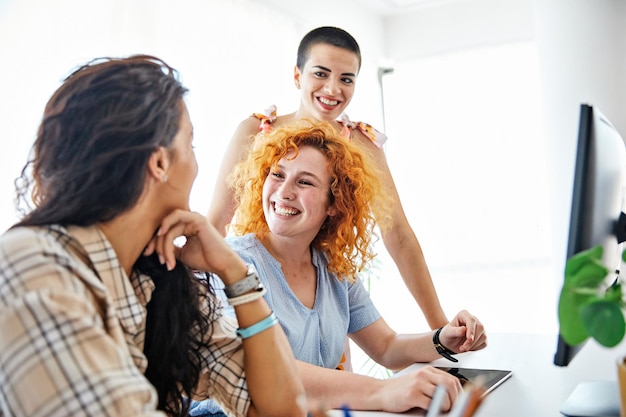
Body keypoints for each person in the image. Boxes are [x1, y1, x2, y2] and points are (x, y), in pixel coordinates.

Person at [0, 55, 306, 417]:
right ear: (159, 163)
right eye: (190, 145)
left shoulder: (160, 279)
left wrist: (235, 273)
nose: (196, 164)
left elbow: (284, 410)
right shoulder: (33, 266)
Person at [207, 25, 462, 338]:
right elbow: (218, 221)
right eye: (320, 73)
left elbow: (397, 234)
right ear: (298, 76)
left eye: (346, 79)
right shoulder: (256, 131)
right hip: (259, 292)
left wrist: (440, 328)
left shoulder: (362, 144)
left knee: (334, 379)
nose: (332, 89)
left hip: (322, 294)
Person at [224, 121, 487, 412]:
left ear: (334, 203)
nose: (284, 191)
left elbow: (386, 347)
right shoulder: (233, 264)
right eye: (277, 175)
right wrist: (382, 392)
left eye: (305, 182)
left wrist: (442, 339)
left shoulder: (333, 268)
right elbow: (261, 369)